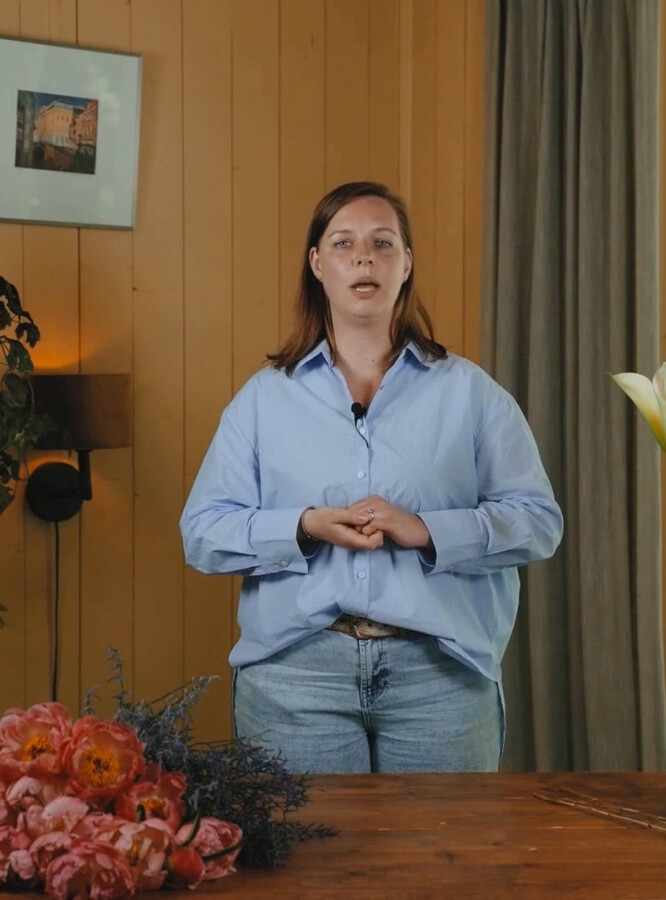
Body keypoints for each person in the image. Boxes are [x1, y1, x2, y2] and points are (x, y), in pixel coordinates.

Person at [179, 181, 562, 774]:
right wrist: (303, 527)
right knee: (307, 842)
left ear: (405, 264)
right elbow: (202, 532)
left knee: (442, 842)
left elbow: (538, 522)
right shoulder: (262, 399)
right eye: (344, 243)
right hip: (294, 678)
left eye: (383, 243)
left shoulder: (471, 393)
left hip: (441, 679)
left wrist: (426, 530)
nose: (364, 257)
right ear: (317, 264)